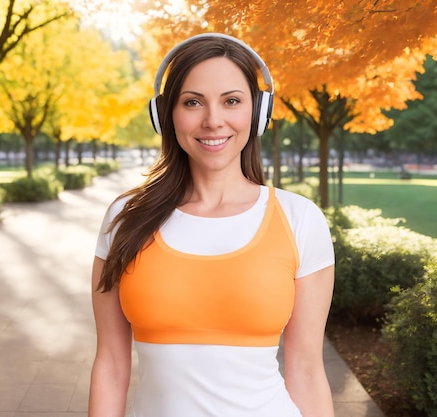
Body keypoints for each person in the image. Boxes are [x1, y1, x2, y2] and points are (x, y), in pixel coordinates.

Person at [88, 33, 335, 417]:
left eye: (232, 101)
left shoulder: (300, 219)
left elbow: (306, 370)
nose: (213, 120)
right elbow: (111, 367)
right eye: (192, 102)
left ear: (257, 112)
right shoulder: (126, 218)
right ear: (165, 114)